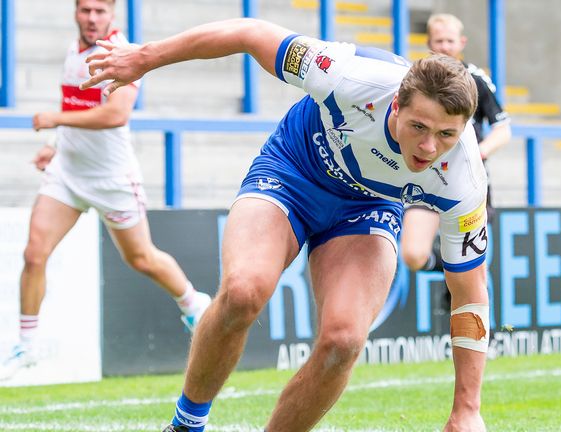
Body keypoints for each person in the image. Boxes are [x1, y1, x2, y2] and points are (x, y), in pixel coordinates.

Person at [82, 17, 492, 432]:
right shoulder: (348, 74)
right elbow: (250, 34)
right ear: (395, 105)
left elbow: (470, 295)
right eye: (418, 127)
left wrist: (467, 410)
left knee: (344, 341)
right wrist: (146, 57)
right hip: (293, 172)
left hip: (369, 206)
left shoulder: (465, 177)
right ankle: (186, 425)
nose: (428, 147)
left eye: (446, 135)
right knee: (244, 292)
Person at [0, 0, 211, 381]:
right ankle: (26, 346)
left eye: (100, 11)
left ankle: (195, 305)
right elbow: (77, 106)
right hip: (67, 173)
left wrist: (53, 119)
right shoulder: (73, 49)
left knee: (142, 258)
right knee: (34, 254)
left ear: (112, 13)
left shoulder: (120, 53)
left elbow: (116, 115)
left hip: (112, 179)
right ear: (75, 12)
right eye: (85, 11)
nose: (92, 18)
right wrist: (57, 146)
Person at [400, 14, 510, 308]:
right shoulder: (415, 78)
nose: (445, 46)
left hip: (466, 185)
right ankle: (449, 271)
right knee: (412, 255)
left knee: (476, 269)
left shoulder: (476, 79)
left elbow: (503, 129)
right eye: (439, 41)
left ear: (461, 43)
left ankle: (489, 337)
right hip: (425, 181)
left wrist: (479, 153)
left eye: (450, 41)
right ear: (428, 43)